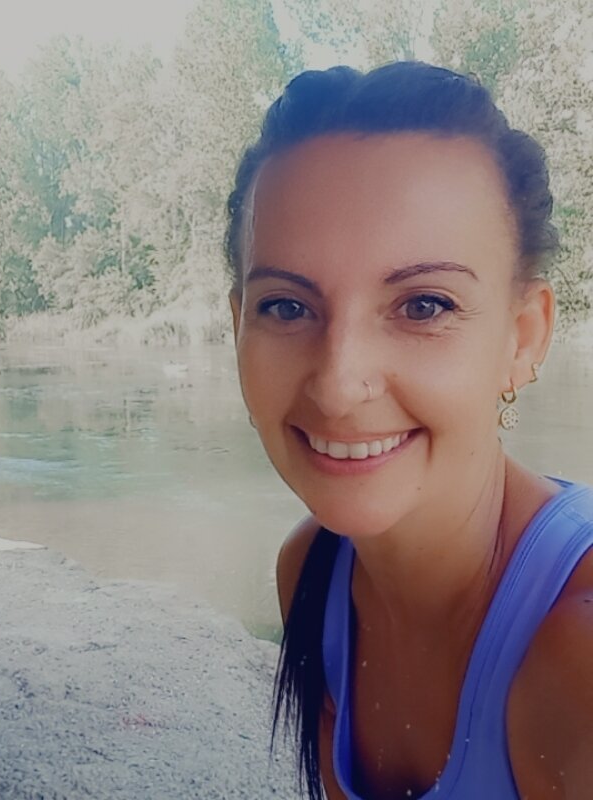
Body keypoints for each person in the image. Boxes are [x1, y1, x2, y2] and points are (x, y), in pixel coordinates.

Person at [225, 61, 593, 800]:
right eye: (287, 307)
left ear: (523, 337)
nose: (339, 384)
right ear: (238, 324)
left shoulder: (577, 655)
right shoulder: (313, 571)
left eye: (425, 306)